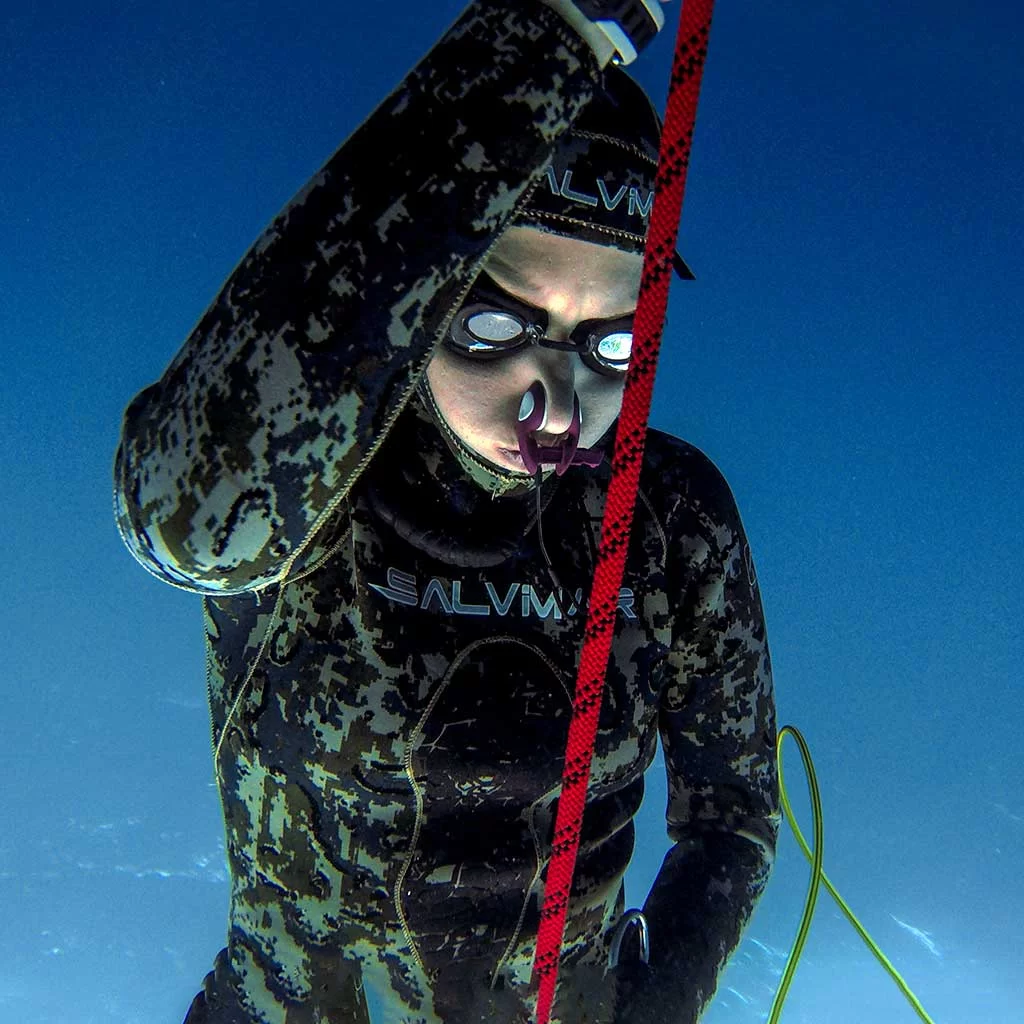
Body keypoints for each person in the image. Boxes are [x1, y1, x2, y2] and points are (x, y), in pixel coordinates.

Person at [114, 1, 778, 1021]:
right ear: (412, 304)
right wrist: (552, 31)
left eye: (607, 343)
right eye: (491, 324)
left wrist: (658, 1000)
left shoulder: (672, 519)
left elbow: (732, 815)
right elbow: (187, 519)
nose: (552, 401)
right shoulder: (317, 479)